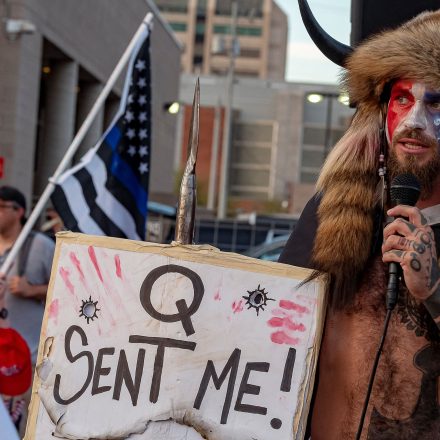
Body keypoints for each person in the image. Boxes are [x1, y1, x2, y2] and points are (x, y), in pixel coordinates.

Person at [279, 10, 440, 440]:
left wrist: (434, 291)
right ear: (382, 111)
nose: (415, 122)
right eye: (403, 99)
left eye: (436, 102)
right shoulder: (331, 211)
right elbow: (273, 321)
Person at [0, 186, 54, 434]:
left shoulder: (41, 246)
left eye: (2, 206)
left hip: (26, 359)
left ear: (19, 211)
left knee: (22, 427)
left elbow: (66, 287)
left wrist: (31, 290)